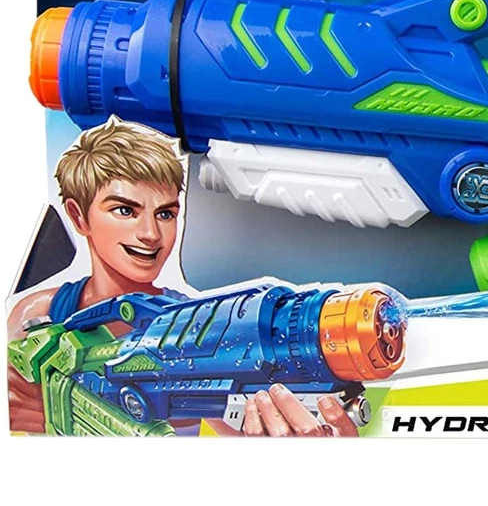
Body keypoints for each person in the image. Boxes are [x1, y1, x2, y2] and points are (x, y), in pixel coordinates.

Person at [7, 117, 356, 437]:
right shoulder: (40, 313)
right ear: (78, 216)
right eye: (125, 210)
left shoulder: (203, 326)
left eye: (165, 214)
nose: (150, 234)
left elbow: (240, 427)